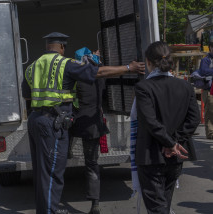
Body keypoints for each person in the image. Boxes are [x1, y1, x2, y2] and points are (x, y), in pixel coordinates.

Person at [22, 32, 145, 214]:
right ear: (62, 47)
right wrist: (129, 67)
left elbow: (26, 95)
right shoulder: (66, 63)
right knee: (54, 173)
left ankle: (48, 209)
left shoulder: (32, 67)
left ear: (47, 46)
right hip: (53, 123)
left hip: (35, 120)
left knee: (42, 171)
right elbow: (98, 72)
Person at [134, 41, 200, 214]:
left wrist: (170, 143)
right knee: (164, 201)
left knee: (157, 207)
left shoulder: (144, 87)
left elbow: (150, 122)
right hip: (175, 156)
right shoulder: (185, 86)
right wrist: (176, 142)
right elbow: (193, 119)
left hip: (151, 155)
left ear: (148, 61)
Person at [70, 48, 108, 214]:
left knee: (59, 161)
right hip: (93, 125)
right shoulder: (99, 76)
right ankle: (95, 204)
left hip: (75, 123)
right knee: (92, 164)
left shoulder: (76, 77)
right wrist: (98, 60)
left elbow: (71, 98)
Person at [199, 42, 213, 139]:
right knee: (210, 111)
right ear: (210, 48)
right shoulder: (206, 60)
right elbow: (204, 71)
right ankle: (210, 133)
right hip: (208, 89)